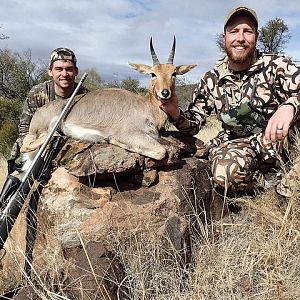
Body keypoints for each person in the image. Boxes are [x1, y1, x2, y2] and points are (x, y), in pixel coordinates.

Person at [160, 6, 300, 197]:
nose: (240, 38)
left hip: (286, 143)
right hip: (243, 147)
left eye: (247, 31)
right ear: (224, 37)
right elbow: (193, 125)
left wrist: (290, 105)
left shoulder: (277, 65)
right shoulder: (211, 79)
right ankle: (265, 187)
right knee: (224, 173)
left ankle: (288, 178)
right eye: (234, 31)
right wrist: (175, 112)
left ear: (256, 36)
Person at [7, 47, 89, 174]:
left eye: (69, 69)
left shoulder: (85, 96)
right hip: (37, 145)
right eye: (59, 69)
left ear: (76, 71)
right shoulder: (38, 93)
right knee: (17, 179)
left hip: (68, 146)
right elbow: (24, 127)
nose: (64, 74)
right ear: (50, 72)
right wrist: (36, 145)